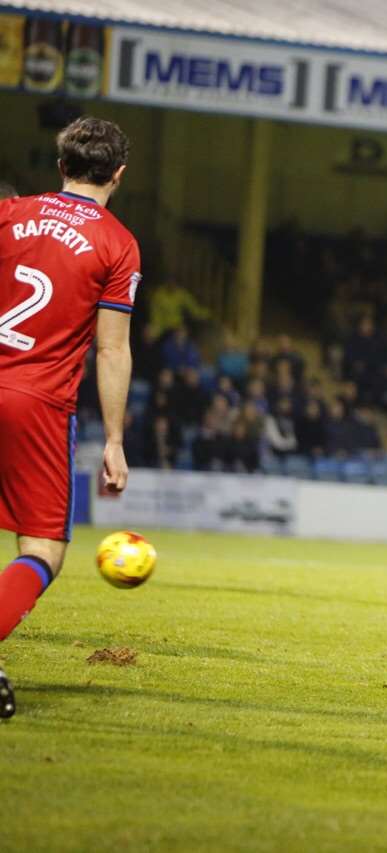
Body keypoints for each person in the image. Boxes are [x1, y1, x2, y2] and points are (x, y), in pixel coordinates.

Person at [0, 117, 139, 718]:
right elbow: (110, 348)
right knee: (42, 547)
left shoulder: (8, 214)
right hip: (36, 402)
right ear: (119, 174)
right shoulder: (117, 243)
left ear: (62, 166)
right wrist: (114, 439)